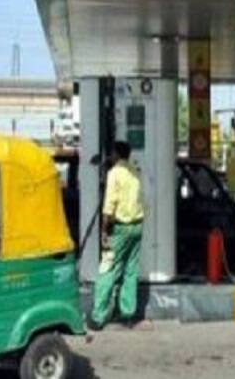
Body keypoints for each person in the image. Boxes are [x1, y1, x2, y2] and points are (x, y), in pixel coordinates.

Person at [88, 141, 144, 331]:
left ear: (116, 154)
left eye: (111, 153)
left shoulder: (115, 173)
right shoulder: (135, 172)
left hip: (120, 228)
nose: (110, 157)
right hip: (137, 226)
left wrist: (104, 231)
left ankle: (98, 317)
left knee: (108, 268)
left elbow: (109, 204)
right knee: (130, 270)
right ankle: (127, 314)